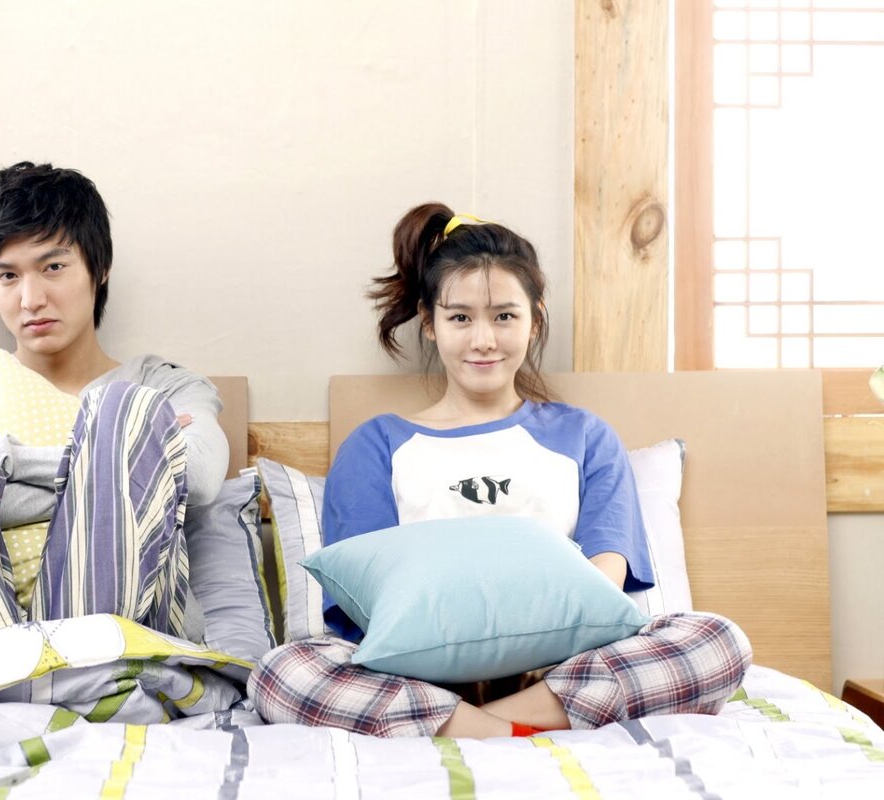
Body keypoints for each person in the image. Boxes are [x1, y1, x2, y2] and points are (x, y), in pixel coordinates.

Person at [247, 203, 751, 738]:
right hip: (415, 674)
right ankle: (512, 728)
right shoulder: (376, 445)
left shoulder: (585, 436)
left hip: (561, 670)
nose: (483, 339)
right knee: (283, 672)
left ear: (535, 320)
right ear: (430, 323)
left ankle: (478, 727)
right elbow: (366, 601)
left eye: (504, 316)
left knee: (717, 642)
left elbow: (606, 581)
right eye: (460, 318)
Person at [0, 162, 228, 648]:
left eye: (53, 267)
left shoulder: (164, 386)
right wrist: (126, 463)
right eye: (8, 275)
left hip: (113, 643)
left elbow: (199, 478)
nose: (31, 299)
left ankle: (60, 668)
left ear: (100, 268)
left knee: (128, 411)